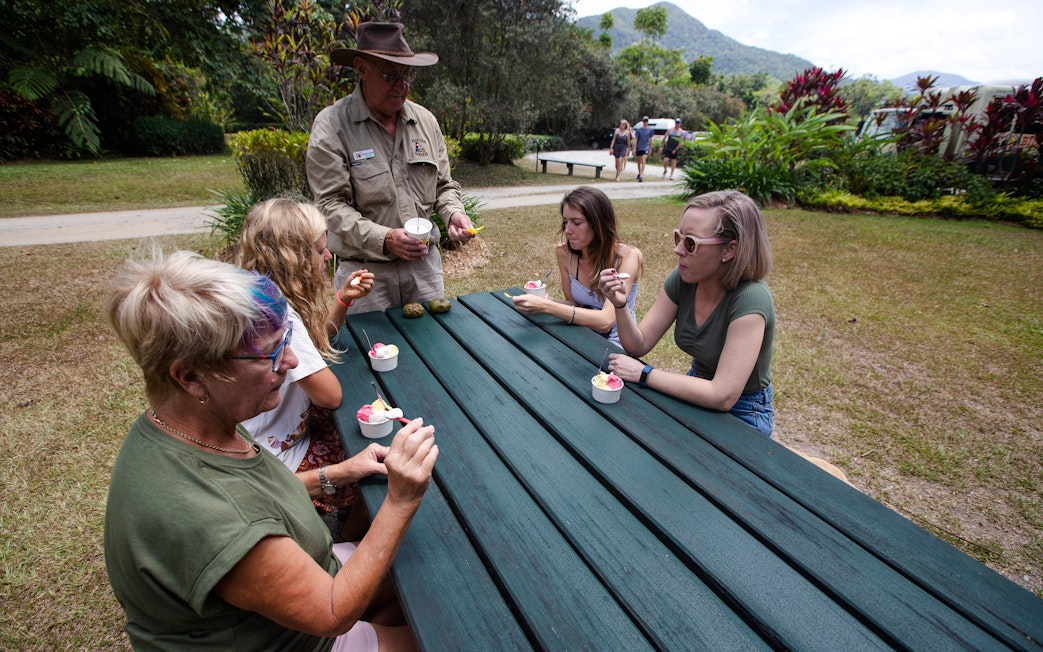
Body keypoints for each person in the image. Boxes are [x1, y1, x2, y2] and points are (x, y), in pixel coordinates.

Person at [104, 249, 437, 650]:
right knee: (450, 632)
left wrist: (343, 471)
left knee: (423, 576)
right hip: (297, 636)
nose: (292, 360)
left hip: (300, 586)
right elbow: (331, 613)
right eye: (271, 353)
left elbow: (259, 499)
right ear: (192, 377)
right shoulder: (202, 516)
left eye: (287, 342)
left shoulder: (191, 425)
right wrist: (401, 501)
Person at [307, 22, 477, 313]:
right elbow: (330, 205)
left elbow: (444, 187)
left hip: (424, 270)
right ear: (361, 68)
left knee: (432, 351)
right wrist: (384, 239)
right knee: (371, 353)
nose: (402, 86)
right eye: (390, 76)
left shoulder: (425, 121)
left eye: (407, 75)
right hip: (365, 277)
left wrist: (453, 214)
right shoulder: (331, 126)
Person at [237, 198, 375, 533]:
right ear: (294, 259)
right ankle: (343, 536)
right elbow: (330, 395)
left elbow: (311, 348)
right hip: (274, 456)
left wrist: (342, 299)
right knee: (373, 457)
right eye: (319, 250)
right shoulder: (281, 315)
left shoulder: (257, 294)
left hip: (264, 437)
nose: (327, 257)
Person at [598, 190, 776, 437]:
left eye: (690, 243)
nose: (678, 250)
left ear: (729, 250)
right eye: (678, 237)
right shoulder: (685, 278)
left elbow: (722, 395)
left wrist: (644, 374)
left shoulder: (750, 298)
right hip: (696, 385)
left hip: (744, 409)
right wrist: (620, 305)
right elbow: (638, 344)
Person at [511, 186, 642, 348]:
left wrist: (547, 306)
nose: (567, 230)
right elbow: (575, 305)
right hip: (580, 335)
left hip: (616, 346)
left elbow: (605, 321)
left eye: (576, 223)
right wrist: (547, 300)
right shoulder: (564, 254)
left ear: (598, 224)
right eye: (565, 222)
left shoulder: (627, 257)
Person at [632, 116, 655, 182]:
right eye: (644, 121)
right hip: (639, 147)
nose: (645, 122)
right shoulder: (639, 130)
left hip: (646, 147)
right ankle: (639, 173)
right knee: (639, 161)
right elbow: (636, 139)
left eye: (646, 121)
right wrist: (634, 148)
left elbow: (651, 139)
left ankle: (641, 175)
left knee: (643, 160)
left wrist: (650, 148)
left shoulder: (650, 130)